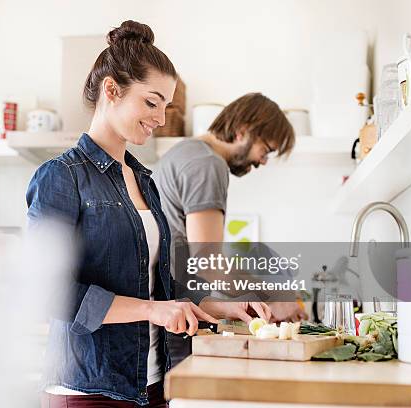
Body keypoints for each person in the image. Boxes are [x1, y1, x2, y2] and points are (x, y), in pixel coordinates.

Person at [27, 21, 269, 407]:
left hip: (153, 384)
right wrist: (153, 310)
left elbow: (158, 287)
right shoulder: (62, 177)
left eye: (166, 106)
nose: (160, 117)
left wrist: (216, 307)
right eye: (151, 102)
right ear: (112, 90)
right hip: (91, 390)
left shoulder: (145, 180)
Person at [153, 93, 308, 367]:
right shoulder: (207, 164)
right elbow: (209, 264)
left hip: (171, 313)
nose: (263, 161)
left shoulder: (184, 152)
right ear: (243, 131)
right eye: (266, 149)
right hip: (182, 320)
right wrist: (274, 297)